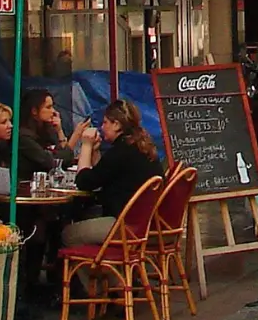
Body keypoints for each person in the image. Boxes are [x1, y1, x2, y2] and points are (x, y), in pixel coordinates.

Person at [64, 99, 164, 248]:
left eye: (105, 123)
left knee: (67, 234)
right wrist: (95, 151)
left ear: (117, 124)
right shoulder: (141, 146)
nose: (102, 127)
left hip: (126, 226)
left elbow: (84, 182)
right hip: (151, 223)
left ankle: (103, 270)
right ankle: (110, 268)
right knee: (90, 216)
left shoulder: (120, 151)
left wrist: (85, 145)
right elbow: (104, 176)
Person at [18, 89, 89, 174]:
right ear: (34, 111)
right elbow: (53, 162)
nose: (53, 111)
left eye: (52, 106)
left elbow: (66, 159)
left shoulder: (47, 132)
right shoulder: (24, 137)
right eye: (48, 107)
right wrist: (76, 135)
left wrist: (59, 131)